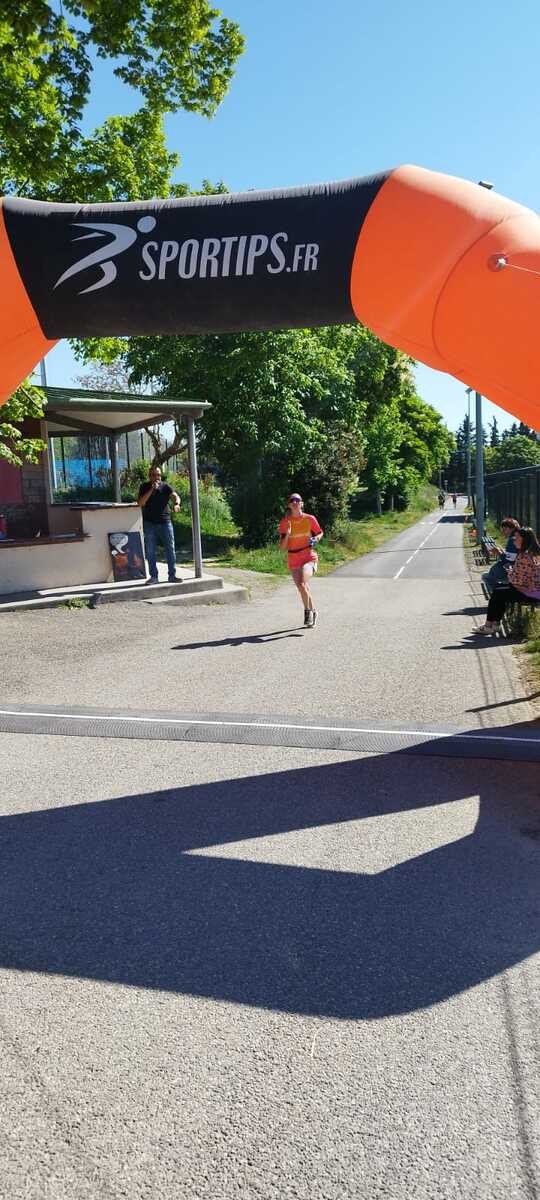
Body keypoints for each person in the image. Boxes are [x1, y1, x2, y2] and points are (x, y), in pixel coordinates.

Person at [475, 526, 540, 634]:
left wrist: (510, 572)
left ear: (524, 540)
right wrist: (513, 572)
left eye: (517, 537)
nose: (514, 539)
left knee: (498, 593)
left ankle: (489, 625)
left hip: (530, 593)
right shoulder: (533, 552)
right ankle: (494, 624)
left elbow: (517, 581)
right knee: (499, 591)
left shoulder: (524, 556)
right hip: (532, 590)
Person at [278, 493, 323, 627]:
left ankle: (307, 612)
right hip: (293, 557)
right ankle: (314, 612)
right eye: (292, 500)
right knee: (302, 587)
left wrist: (316, 538)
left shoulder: (310, 519)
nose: (295, 502)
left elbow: (320, 532)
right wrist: (288, 535)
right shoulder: (285, 522)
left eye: (297, 500)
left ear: (302, 503)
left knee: (303, 584)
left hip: (308, 556)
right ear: (289, 505)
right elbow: (282, 547)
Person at [137, 466, 182, 583]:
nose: (157, 477)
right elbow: (141, 503)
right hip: (150, 523)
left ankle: (172, 575)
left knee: (170, 549)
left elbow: (175, 496)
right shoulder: (144, 487)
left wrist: (176, 504)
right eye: (154, 475)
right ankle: (154, 577)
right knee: (150, 551)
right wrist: (151, 490)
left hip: (165, 522)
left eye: (159, 475)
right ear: (149, 476)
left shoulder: (165, 486)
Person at [482, 517, 519, 591]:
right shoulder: (519, 537)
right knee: (487, 575)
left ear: (511, 529)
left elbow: (509, 561)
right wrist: (503, 552)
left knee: (486, 576)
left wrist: (499, 552)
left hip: (512, 572)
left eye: (505, 529)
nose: (503, 532)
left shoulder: (512, 540)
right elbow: (512, 556)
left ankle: (497, 594)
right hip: (517, 570)